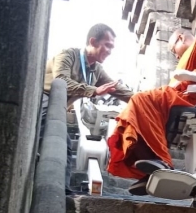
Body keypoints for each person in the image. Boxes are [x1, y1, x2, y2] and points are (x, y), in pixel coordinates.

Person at [106, 28, 196, 195]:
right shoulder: (193, 51)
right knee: (137, 111)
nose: (177, 57)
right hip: (186, 96)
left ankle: (159, 160)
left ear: (180, 38)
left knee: (140, 100)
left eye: (175, 51)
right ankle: (151, 169)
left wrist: (181, 82)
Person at [40, 23, 133, 195]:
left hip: (58, 110)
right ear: (93, 41)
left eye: (112, 47)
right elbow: (60, 81)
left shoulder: (95, 70)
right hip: (42, 101)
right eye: (107, 45)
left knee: (64, 145)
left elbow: (117, 89)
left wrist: (144, 100)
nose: (110, 51)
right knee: (61, 142)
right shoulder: (68, 55)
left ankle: (64, 191)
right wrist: (93, 90)